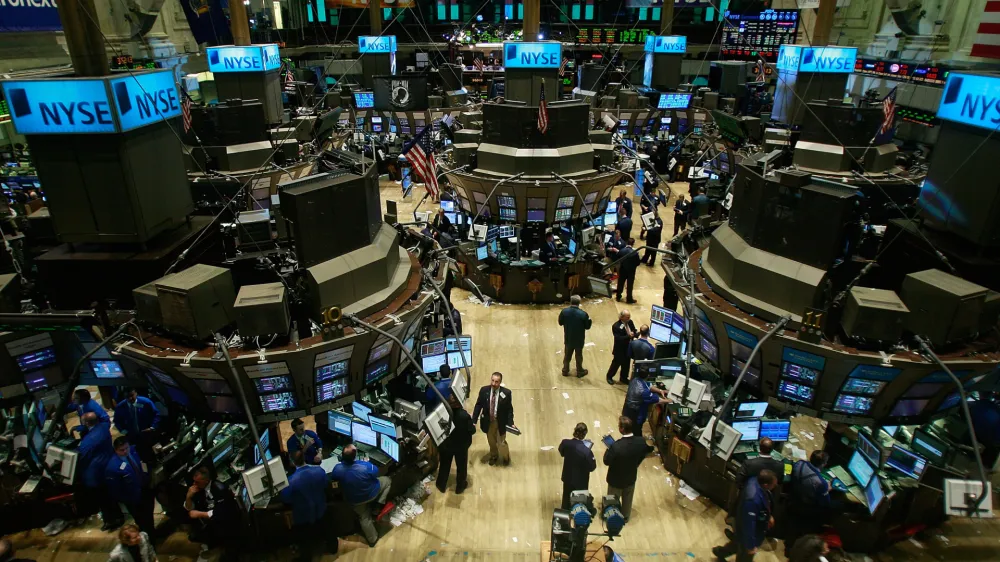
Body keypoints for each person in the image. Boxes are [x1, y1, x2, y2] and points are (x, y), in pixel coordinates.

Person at [330, 445, 393, 547]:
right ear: (355, 456)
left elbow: (334, 477)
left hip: (355, 500)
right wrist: (366, 462)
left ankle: (373, 539)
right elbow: (376, 472)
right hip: (371, 493)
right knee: (387, 480)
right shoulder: (365, 466)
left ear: (342, 456)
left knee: (364, 517)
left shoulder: (337, 469)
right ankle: (378, 505)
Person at [280, 451, 338, 560]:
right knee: (328, 529)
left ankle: (306, 557)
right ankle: (333, 548)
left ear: (292, 462)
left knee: (304, 540)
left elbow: (285, 499)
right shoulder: (319, 471)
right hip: (321, 510)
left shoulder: (290, 481)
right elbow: (326, 484)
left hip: (303, 517)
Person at [712, 470, 778, 561]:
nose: (775, 486)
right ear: (766, 484)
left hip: (742, 528)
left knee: (737, 544)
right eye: (774, 485)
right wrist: (750, 546)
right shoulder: (752, 500)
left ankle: (720, 552)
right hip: (748, 533)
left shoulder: (754, 480)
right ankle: (721, 552)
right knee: (744, 555)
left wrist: (768, 516)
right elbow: (749, 525)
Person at [76, 412, 123, 531]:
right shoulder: (103, 427)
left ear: (86, 423)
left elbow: (82, 456)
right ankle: (117, 517)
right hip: (107, 466)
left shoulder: (88, 441)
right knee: (109, 496)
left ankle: (111, 520)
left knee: (103, 499)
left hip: (96, 474)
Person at [185, 466, 242, 562]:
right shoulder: (198, 488)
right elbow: (189, 508)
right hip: (214, 521)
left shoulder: (220, 489)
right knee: (193, 536)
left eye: (197, 482)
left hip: (229, 524)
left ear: (206, 480)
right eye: (194, 481)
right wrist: (188, 497)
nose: (194, 484)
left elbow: (221, 514)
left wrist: (199, 514)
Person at [603, 416, 653, 521]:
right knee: (627, 500)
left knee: (612, 500)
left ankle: (612, 518)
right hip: (630, 477)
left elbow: (606, 461)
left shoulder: (616, 446)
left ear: (621, 429)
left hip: (615, 480)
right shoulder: (640, 442)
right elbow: (644, 454)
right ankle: (625, 517)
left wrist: (609, 449)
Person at [785, 450, 832, 555]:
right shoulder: (821, 483)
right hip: (806, 508)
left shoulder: (799, 464)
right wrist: (827, 490)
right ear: (823, 464)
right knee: (835, 506)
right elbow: (826, 503)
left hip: (793, 500)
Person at [105, 436, 155, 535]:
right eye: (121, 450)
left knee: (149, 514)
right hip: (133, 499)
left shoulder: (134, 451)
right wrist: (128, 500)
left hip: (145, 489)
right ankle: (147, 538)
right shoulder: (112, 467)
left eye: (126, 448)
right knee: (141, 520)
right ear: (115, 450)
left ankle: (152, 532)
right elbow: (115, 490)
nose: (125, 451)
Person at [472, 372, 515, 466]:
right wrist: (474, 420)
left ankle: (506, 457)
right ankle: (494, 455)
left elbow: (509, 409)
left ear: (500, 382)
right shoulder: (484, 390)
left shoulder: (506, 393)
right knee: (491, 441)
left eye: (496, 382)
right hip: (488, 421)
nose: (494, 383)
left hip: (500, 422)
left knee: (501, 443)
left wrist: (511, 422)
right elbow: (478, 405)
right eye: (492, 380)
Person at [436, 394, 475, 494]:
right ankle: (460, 487)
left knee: (444, 465)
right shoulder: (465, 416)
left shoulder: (443, 413)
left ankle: (441, 485)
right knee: (461, 467)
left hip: (446, 445)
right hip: (461, 446)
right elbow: (472, 430)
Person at [113, 389, 160, 462]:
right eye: (127, 397)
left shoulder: (146, 402)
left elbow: (156, 414)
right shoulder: (120, 407)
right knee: (137, 453)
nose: (130, 399)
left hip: (146, 433)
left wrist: (152, 427)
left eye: (132, 396)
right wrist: (125, 432)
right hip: (131, 436)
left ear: (136, 393)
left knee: (150, 452)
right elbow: (117, 421)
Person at [622, 364, 670, 433]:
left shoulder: (635, 380)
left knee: (628, 430)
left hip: (627, 410)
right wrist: (670, 400)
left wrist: (660, 390)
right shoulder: (644, 392)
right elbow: (658, 400)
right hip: (635, 415)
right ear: (648, 375)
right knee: (636, 432)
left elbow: (648, 385)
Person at [558, 423, 596, 510]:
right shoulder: (586, 451)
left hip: (568, 478)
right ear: (585, 433)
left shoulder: (565, 443)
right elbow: (592, 467)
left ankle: (564, 517)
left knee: (566, 501)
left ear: (574, 431)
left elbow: (562, 452)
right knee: (579, 504)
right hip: (581, 481)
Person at [558, 295, 592, 377]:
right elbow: (587, 327)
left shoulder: (564, 312)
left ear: (571, 301)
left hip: (568, 337)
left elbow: (560, 322)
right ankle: (579, 371)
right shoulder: (583, 314)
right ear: (579, 303)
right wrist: (590, 320)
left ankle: (565, 370)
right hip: (579, 339)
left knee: (567, 355)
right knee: (579, 355)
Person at [605, 310, 636, 385]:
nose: (629, 318)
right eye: (627, 317)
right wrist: (628, 336)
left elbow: (634, 330)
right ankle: (609, 376)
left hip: (628, 347)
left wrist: (634, 333)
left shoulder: (630, 322)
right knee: (616, 364)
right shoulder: (616, 326)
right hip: (620, 349)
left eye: (629, 317)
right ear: (621, 317)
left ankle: (623, 378)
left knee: (626, 364)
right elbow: (618, 338)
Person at [615, 239, 640, 304]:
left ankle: (618, 297)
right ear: (633, 244)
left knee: (620, 283)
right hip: (631, 271)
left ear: (627, 243)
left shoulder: (622, 251)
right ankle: (629, 299)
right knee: (630, 285)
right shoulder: (635, 253)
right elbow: (638, 263)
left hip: (623, 269)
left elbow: (617, 258)